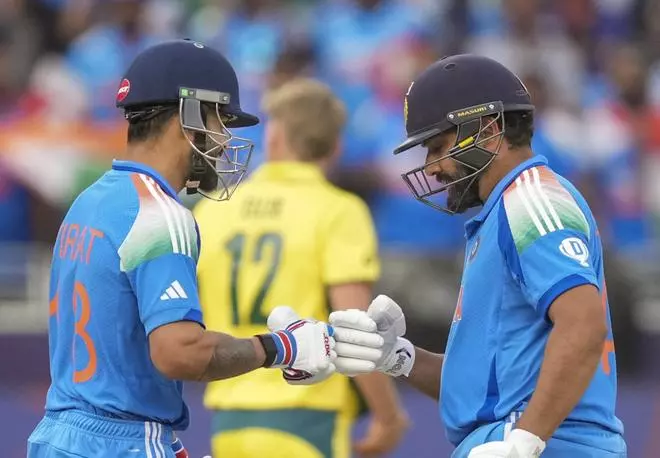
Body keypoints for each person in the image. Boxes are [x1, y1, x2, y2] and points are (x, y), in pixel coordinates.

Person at [26, 40, 336, 458]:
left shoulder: (90, 201)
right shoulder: (159, 213)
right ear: (191, 113)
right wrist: (279, 348)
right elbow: (180, 353)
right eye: (221, 120)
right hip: (124, 441)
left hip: (57, 436)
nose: (225, 140)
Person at [329, 54, 627, 458]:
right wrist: (399, 357)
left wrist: (525, 440)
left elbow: (583, 324)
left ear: (487, 132)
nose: (431, 167)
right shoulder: (506, 209)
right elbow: (484, 389)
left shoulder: (530, 202)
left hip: (553, 445)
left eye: (437, 147)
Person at [194, 77, 409, 458]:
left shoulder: (213, 210)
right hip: (307, 413)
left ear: (274, 137)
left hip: (229, 415)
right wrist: (388, 415)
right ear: (336, 145)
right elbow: (355, 328)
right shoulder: (338, 210)